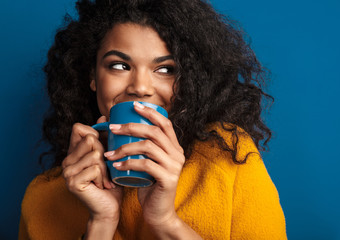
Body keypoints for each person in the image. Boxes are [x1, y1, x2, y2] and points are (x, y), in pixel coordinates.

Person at [19, 0, 287, 239]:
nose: (141, 87)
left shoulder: (230, 162)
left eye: (165, 69)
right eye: (120, 66)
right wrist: (101, 223)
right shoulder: (42, 199)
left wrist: (165, 222)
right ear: (92, 76)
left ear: (189, 82)